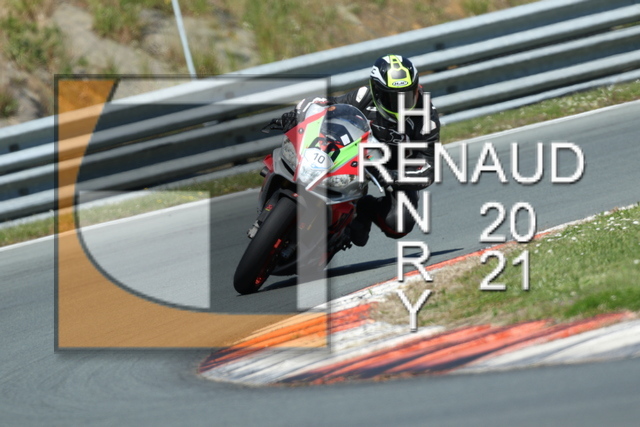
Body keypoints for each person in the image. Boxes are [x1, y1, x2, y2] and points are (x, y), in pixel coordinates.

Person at [277, 54, 440, 246]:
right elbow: (327, 104)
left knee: (399, 224)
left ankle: (364, 208)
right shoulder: (364, 95)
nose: (401, 103)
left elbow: (429, 168)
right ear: (377, 91)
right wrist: (297, 114)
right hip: (358, 151)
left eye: (408, 94)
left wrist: (394, 177)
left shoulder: (426, 117)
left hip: (395, 168)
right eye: (392, 97)